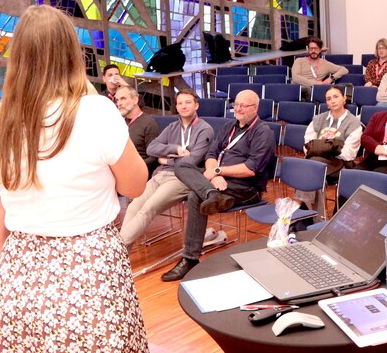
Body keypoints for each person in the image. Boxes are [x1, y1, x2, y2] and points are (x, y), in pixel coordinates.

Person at [0, 5, 150, 351]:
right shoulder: (96, 111)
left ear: (17, 57)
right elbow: (135, 185)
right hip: (92, 270)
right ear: (72, 55)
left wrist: (18, 275)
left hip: (20, 272)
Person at [160, 89, 276, 282]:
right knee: (181, 166)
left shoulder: (263, 132)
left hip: (246, 187)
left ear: (255, 108)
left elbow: (250, 169)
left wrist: (217, 171)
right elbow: (211, 154)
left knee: (195, 196)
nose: (238, 108)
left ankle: (190, 259)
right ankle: (211, 193)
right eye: (236, 104)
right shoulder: (229, 126)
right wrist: (214, 178)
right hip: (219, 181)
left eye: (243, 105)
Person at [120, 89, 214, 248]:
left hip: (182, 178)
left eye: (188, 102)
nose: (183, 106)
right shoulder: (172, 127)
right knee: (133, 207)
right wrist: (175, 149)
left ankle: (117, 250)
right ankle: (122, 255)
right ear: (176, 107)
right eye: (180, 103)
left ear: (196, 106)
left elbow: (192, 161)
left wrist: (166, 159)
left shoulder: (205, 129)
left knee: (148, 209)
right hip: (161, 175)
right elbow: (151, 148)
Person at [304, 86, 363, 182]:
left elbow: (348, 154)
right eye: (329, 99)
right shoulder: (318, 119)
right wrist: (334, 146)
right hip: (316, 160)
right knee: (311, 167)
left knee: (311, 168)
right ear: (327, 103)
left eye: (336, 97)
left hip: (341, 163)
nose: (333, 101)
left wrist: (320, 147)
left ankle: (307, 191)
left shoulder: (354, 123)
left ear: (344, 98)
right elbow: (307, 147)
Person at [114, 86, 161, 175]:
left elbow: (154, 157)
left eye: (123, 99)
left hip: (138, 171)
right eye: (117, 100)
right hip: (118, 168)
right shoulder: (118, 122)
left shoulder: (149, 123)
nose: (119, 103)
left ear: (135, 100)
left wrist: (135, 167)